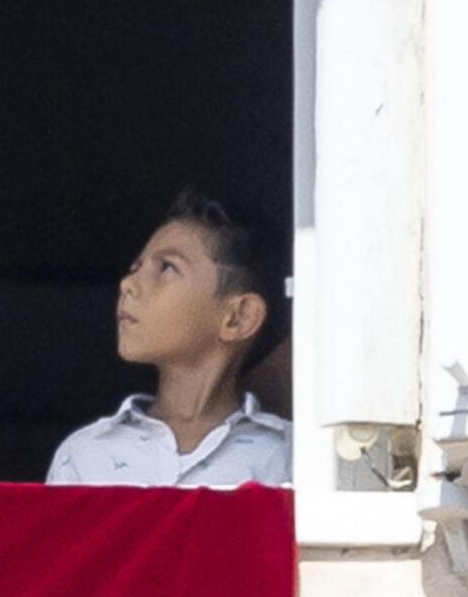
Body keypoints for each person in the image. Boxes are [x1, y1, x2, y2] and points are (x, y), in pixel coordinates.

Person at [47, 190, 290, 487]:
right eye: (135, 267)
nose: (127, 284)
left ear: (238, 317)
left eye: (167, 267)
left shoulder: (287, 458)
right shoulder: (85, 454)